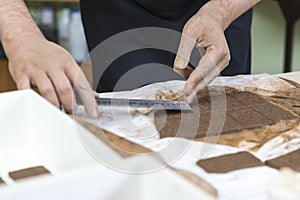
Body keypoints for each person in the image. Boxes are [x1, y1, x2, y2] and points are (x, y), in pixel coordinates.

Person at [0, 0, 260, 118]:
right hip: (118, 9)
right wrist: (21, 35)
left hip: (219, 9)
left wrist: (219, 12)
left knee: (225, 120)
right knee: (131, 137)